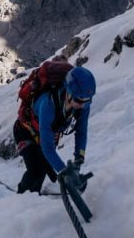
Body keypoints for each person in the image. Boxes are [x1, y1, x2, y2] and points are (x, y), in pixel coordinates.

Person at [14, 63, 96, 194]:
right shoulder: (48, 104)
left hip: (46, 135)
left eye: (88, 100)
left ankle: (32, 199)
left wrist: (78, 160)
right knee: (36, 171)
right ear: (69, 92)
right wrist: (65, 173)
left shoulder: (82, 103)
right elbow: (47, 148)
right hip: (25, 131)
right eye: (80, 101)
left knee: (46, 173)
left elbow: (81, 131)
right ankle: (20, 202)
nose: (83, 105)